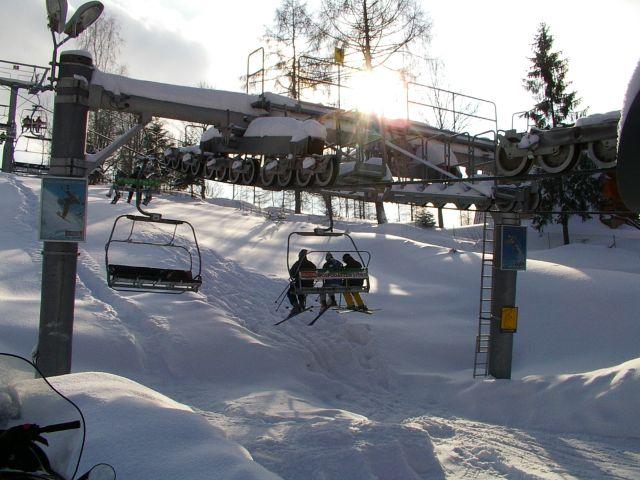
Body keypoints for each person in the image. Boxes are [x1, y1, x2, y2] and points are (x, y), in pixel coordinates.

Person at [287, 249, 316, 314]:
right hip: (309, 285)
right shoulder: (311, 264)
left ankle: (295, 305)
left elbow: (292, 274)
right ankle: (302, 303)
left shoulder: (297, 264)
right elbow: (315, 272)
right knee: (300, 289)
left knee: (290, 291)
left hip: (300, 284)